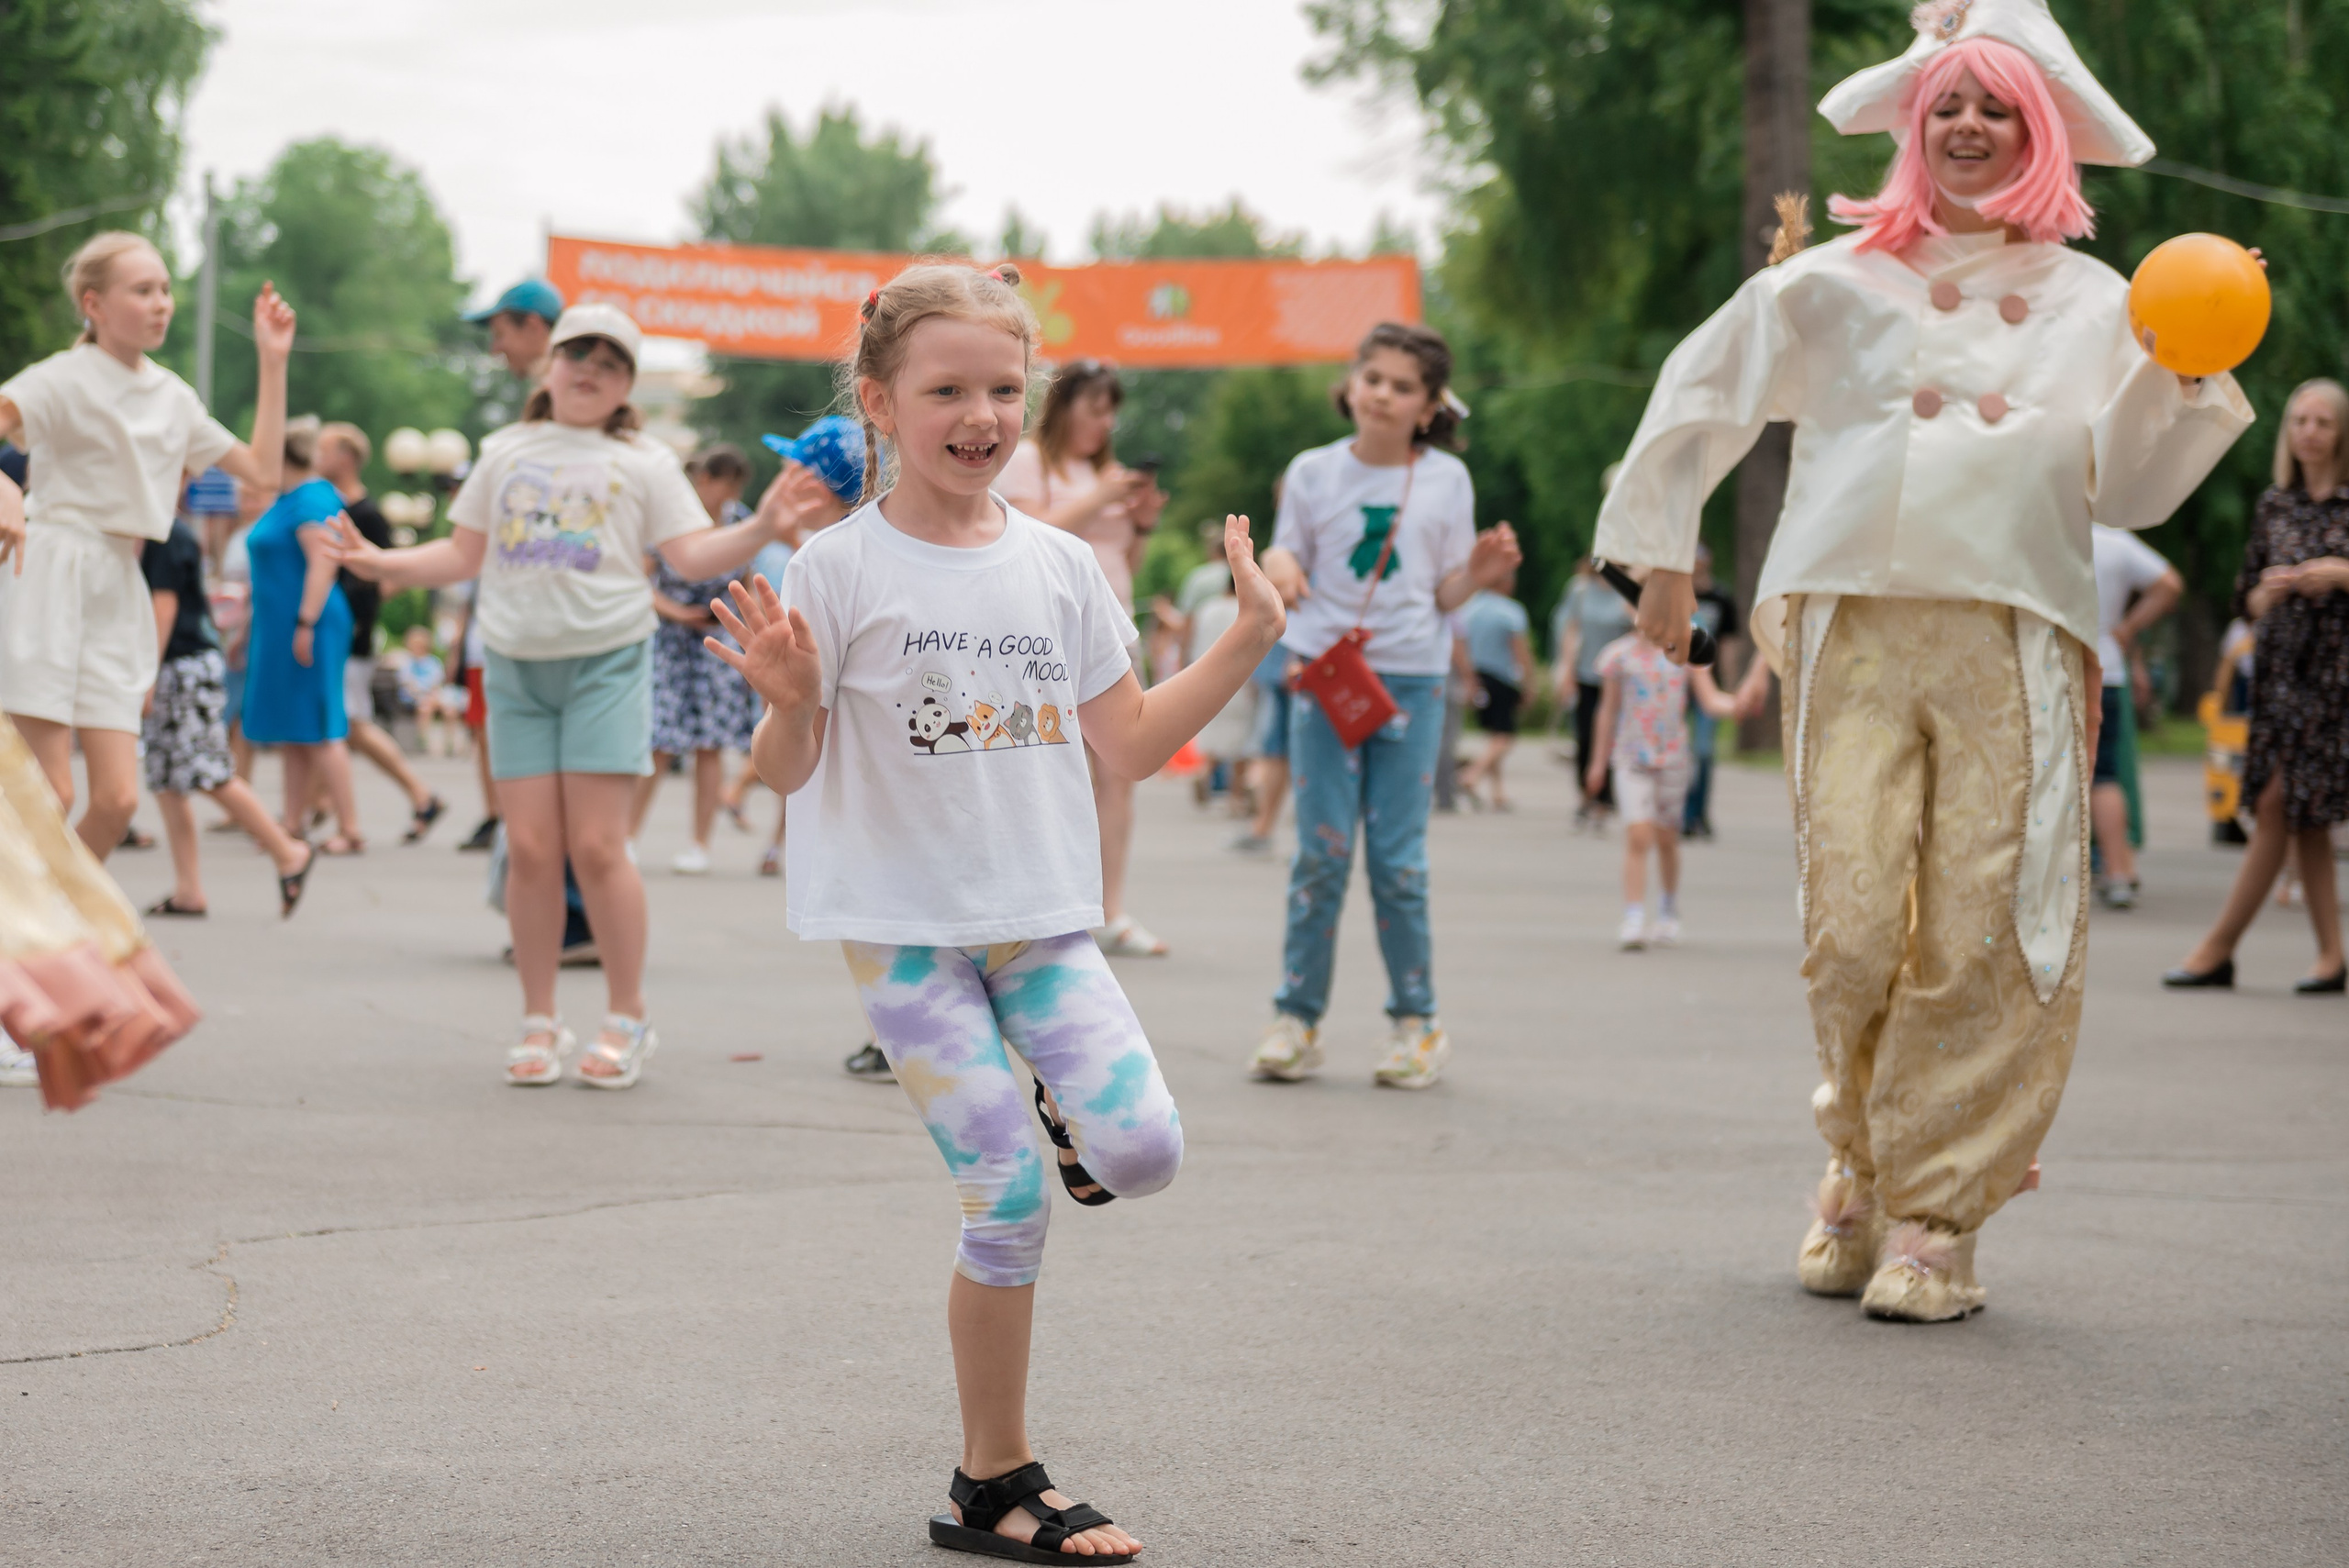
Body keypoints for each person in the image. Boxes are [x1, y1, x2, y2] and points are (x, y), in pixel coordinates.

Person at [1595, 2, 2252, 1319]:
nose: (1965, 124)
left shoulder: (2099, 300)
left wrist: (2188, 369)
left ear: (2042, 130)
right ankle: (1854, 1152)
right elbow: (1702, 386)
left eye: (1996, 106)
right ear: (1913, 123)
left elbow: (2129, 487)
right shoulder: (1838, 279)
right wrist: (1662, 550)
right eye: (1946, 103)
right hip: (1851, 618)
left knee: (1985, 928)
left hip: (2017, 628)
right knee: (1846, 928)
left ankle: (1935, 1216)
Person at [711, 260, 1278, 1564]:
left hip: (1038, 920)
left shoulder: (1064, 565)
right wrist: (791, 694)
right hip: (903, 930)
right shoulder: (839, 566)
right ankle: (995, 1479)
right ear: (879, 401)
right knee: (1007, 1199)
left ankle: (1067, 1129)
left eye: (1004, 389)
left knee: (1142, 1153)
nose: (981, 415)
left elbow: (1127, 744)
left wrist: (1245, 640)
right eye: (946, 388)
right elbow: (781, 773)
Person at [332, 304, 796, 1088]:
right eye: (576, 353)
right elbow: (462, 552)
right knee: (533, 850)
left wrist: (763, 529)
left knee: (597, 846)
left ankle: (626, 1014)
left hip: (606, 663)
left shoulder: (644, 459)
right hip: (517, 665)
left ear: (625, 386)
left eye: (609, 362)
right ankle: (538, 1019)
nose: (589, 369)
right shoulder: (505, 450)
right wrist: (383, 562)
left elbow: (687, 553)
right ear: (550, 363)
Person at [1248, 322, 1521, 1090]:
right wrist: (1281, 565)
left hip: (1410, 679)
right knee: (1321, 852)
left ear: (1429, 405)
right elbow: (1284, 551)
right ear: (1352, 381)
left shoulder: (1446, 481)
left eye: (1404, 387)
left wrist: (1483, 571)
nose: (1383, 395)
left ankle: (1416, 1021)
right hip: (1325, 676)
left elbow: (1443, 593)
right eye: (1374, 379)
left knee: (1398, 861)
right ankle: (1296, 1018)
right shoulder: (1312, 471)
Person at [0, 234, 294, 863]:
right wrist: (3, 482)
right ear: (94, 304)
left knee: (116, 802)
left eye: (165, 289)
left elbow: (263, 472)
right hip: (49, 568)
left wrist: (273, 361)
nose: (161, 303)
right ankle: (38, 941)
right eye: (142, 290)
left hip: (118, 578)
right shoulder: (60, 378)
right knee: (50, 788)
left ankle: (50, 928)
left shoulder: (173, 396)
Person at [2165, 378, 2349, 993]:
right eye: (2300, 420)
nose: (2309, 431)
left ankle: (2217, 948)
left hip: (2331, 682)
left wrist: (2339, 575)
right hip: (2277, 681)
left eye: (2322, 421)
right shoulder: (2275, 503)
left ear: (2341, 431)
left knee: (2278, 807)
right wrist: (2264, 593)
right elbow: (2242, 599)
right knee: (2303, 817)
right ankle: (2329, 955)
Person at [997, 358, 1171, 958]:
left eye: (1111, 411)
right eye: (1094, 407)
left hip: (1111, 630)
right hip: (1040, 635)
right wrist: (1098, 496)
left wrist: (1142, 524)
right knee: (1035, 767)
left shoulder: (1108, 474)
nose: (1104, 422)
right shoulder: (1025, 461)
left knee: (1119, 772)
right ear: (1063, 404)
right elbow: (1020, 535)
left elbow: (1126, 563)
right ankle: (1039, 903)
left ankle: (1111, 907)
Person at [139, 514, 318, 917]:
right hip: (176, 664)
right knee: (167, 779)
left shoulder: (165, 533)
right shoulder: (160, 529)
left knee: (207, 771)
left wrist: (146, 677)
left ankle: (288, 851)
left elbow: (163, 608)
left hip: (181, 665)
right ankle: (189, 889)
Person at [720, 417, 867, 885]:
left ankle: (784, 842)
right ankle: (781, 843)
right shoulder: (835, 544)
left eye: (790, 469)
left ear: (815, 487)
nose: (780, 479)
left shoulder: (824, 556)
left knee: (797, 749)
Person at [455, 276, 566, 852]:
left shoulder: (559, 396)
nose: (497, 348)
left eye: (501, 332)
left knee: (555, 803)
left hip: (552, 614)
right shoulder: (549, 394)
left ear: (533, 326)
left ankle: (567, 922)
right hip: (536, 604)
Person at [631, 445, 759, 874]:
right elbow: (639, 579)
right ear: (704, 480)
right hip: (672, 638)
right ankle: (627, 838)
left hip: (717, 641)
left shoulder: (739, 521)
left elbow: (747, 583)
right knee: (661, 742)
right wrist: (677, 612)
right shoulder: (669, 517)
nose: (727, 495)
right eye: (723, 486)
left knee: (710, 745)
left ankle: (699, 843)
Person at [315, 421, 444, 844]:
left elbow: (396, 569)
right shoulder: (331, 504)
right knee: (337, 722)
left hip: (352, 634)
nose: (317, 457)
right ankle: (319, 803)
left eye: (325, 449)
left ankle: (419, 794)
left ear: (346, 458)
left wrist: (361, 609)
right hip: (339, 632)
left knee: (349, 723)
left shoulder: (367, 513)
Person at [240, 417, 363, 851]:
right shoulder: (289, 497)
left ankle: (350, 828)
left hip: (308, 624)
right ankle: (292, 822)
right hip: (283, 626)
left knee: (320, 722)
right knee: (295, 729)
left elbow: (324, 560)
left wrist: (306, 623)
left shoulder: (312, 497)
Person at [1586, 622, 1737, 948]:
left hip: (1672, 758)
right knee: (1638, 835)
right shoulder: (1618, 655)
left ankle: (1668, 909)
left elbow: (1710, 700)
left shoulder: (1684, 651)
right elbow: (1607, 712)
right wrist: (1598, 762)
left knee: (1667, 839)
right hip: (1631, 757)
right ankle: (1634, 916)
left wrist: (1739, 705)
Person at [2089, 523, 2181, 908]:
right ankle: (2118, 870)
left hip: (2051, 666)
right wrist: (2126, 630)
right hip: (2106, 666)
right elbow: (2169, 584)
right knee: (2104, 775)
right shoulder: (2114, 541)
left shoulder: (2044, 528)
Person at [1553, 554, 1633, 831]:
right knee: (1585, 737)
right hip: (1586, 673)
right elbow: (1570, 629)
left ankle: (1605, 798)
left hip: (1618, 677)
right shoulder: (1580, 589)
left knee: (1612, 738)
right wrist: (1566, 670)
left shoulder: (1629, 590)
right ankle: (1585, 794)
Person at [1454, 571, 1534, 809]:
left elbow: (1460, 643)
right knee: (1504, 737)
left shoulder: (1469, 609)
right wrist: (1529, 682)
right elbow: (1520, 650)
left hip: (1478, 675)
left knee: (1493, 734)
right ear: (1506, 582)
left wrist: (1468, 678)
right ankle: (1471, 775)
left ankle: (1498, 792)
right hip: (1503, 677)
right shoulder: (1510, 611)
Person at [1682, 545, 1742, 840]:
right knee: (1679, 751)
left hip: (1708, 680)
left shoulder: (1721, 598)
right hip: (1677, 683)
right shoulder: (1675, 593)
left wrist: (1730, 684)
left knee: (1704, 751)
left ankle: (1699, 813)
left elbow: (1729, 644)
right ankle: (1680, 813)